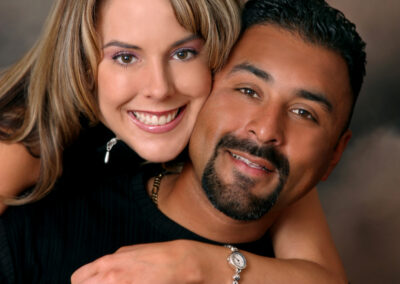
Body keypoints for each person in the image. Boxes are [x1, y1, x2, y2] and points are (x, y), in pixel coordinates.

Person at [0, 0, 366, 283]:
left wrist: (201, 265)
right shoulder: (30, 161)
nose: (159, 89)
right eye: (125, 56)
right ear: (83, 66)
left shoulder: (274, 168)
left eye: (183, 53)